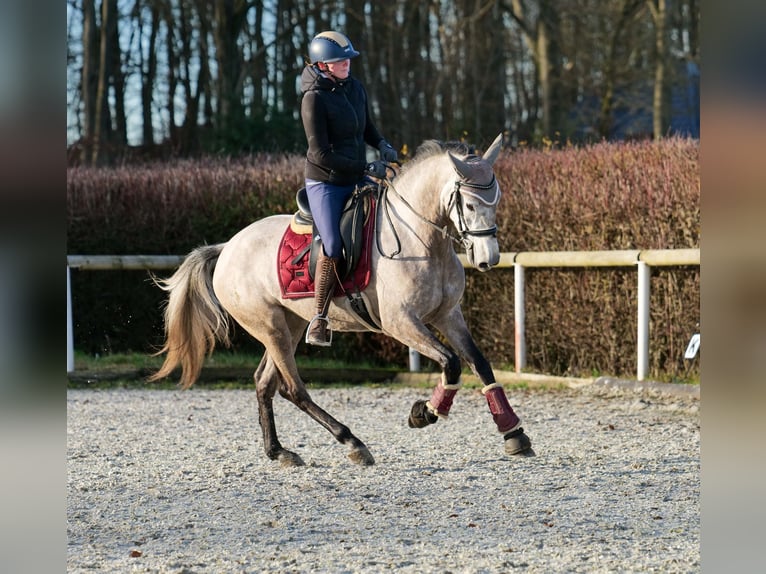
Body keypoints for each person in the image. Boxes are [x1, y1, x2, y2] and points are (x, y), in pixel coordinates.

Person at [300, 30, 398, 346]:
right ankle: (319, 317)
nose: (346, 63)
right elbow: (321, 154)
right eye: (339, 60)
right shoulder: (313, 99)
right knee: (332, 244)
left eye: (347, 58)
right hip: (325, 181)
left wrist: (381, 144)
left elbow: (366, 127)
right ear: (322, 65)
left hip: (355, 173)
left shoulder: (354, 87)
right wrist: (365, 168)